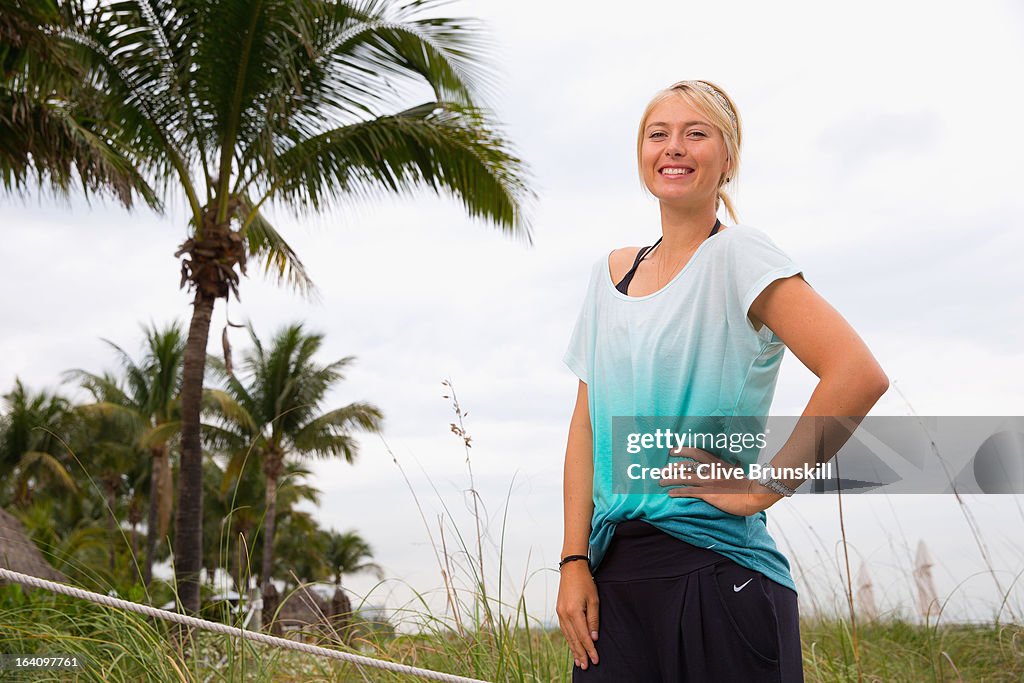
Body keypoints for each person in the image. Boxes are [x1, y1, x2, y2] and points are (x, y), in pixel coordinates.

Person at [556, 80, 889, 682]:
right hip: (614, 582)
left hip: (716, 570)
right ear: (641, 154)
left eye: (696, 133)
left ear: (727, 159)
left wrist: (764, 488)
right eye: (658, 134)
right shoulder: (609, 275)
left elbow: (857, 374)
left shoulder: (741, 254)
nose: (673, 147)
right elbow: (585, 428)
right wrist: (573, 560)